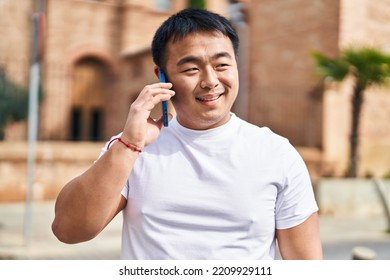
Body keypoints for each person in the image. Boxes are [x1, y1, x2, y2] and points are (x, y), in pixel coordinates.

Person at [52, 8, 323, 260]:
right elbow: (69, 230)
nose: (210, 81)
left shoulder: (277, 153)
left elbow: (306, 264)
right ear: (161, 76)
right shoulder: (131, 148)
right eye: (191, 69)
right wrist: (129, 144)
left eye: (222, 65)